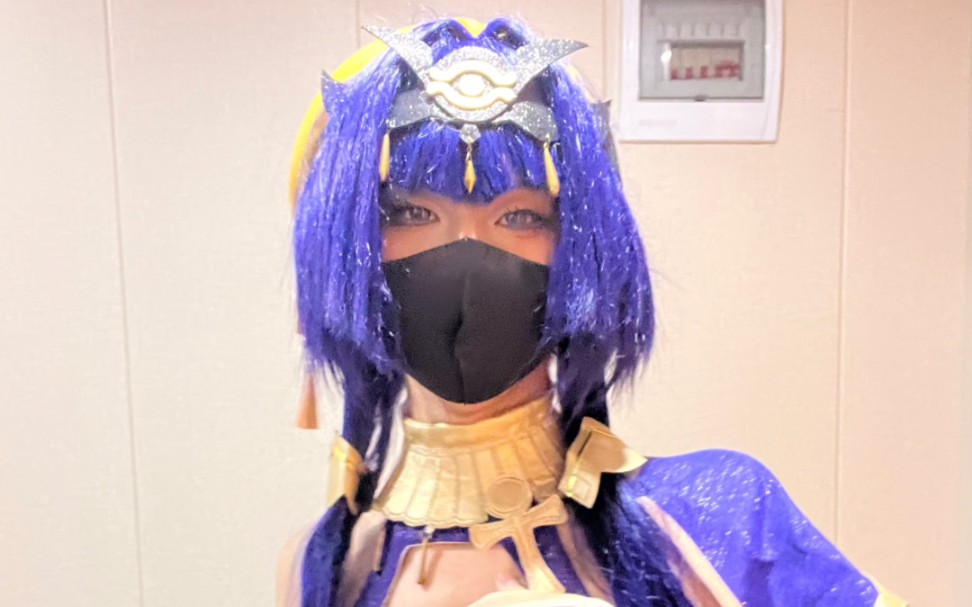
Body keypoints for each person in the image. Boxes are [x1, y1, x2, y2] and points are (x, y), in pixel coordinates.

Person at [279, 17, 906, 607]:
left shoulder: (718, 517)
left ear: (583, 251)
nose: (468, 251)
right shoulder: (320, 569)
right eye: (410, 213)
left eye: (520, 216)